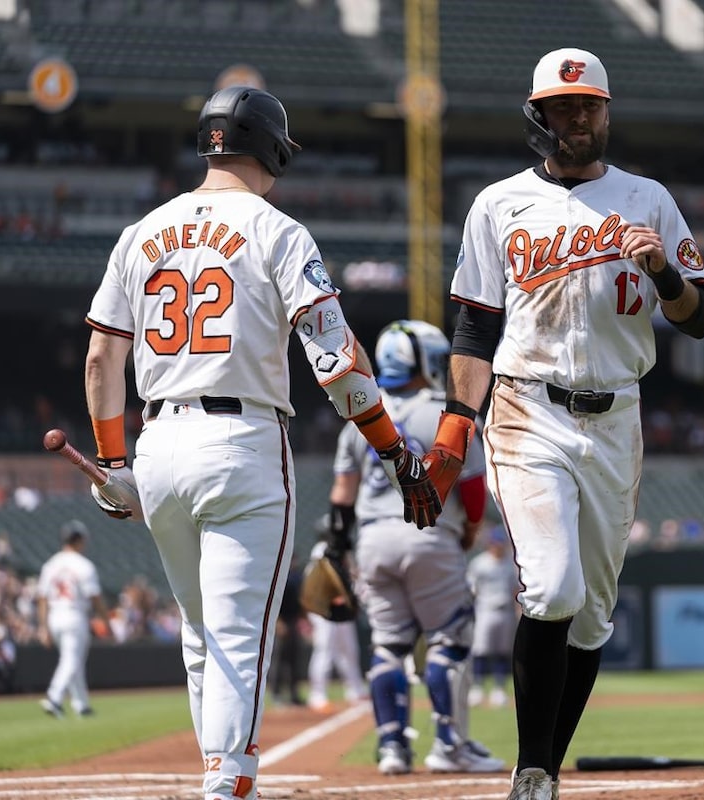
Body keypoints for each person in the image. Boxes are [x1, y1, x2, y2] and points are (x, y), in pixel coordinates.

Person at [81, 86, 440, 800]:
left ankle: (217, 774)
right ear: (272, 148)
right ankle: (227, 783)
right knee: (238, 635)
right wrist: (392, 449)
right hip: (241, 441)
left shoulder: (140, 232)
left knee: (199, 634)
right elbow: (336, 362)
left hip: (158, 443)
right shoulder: (279, 230)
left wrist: (114, 461)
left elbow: (100, 360)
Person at [420, 48, 704, 800]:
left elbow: (698, 317)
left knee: (592, 617)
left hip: (617, 414)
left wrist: (663, 272)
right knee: (551, 590)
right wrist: (456, 423)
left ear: (606, 112)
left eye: (589, 106)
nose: (578, 119)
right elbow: (475, 326)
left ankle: (546, 767)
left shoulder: (647, 199)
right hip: (527, 407)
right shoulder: (499, 203)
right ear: (538, 115)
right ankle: (533, 772)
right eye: (563, 107)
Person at [330, 319, 505, 776]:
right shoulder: (447, 415)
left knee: (388, 645)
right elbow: (471, 490)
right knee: (449, 638)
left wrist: (336, 548)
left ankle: (392, 747)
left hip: (372, 539)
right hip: (430, 534)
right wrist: (470, 530)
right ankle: (450, 745)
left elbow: (342, 496)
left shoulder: (361, 414)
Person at [36, 520, 109, 718]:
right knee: (71, 660)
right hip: (74, 615)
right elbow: (95, 597)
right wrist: (106, 620)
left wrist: (43, 627)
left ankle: (81, 704)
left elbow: (42, 598)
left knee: (73, 659)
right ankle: (54, 697)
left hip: (54, 616)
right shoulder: (83, 565)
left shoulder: (51, 564)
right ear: (78, 540)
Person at [305, 539, 368, 713]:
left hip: (342, 612)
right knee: (325, 651)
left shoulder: (343, 563)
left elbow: (353, 581)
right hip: (324, 613)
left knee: (349, 650)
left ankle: (355, 690)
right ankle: (317, 694)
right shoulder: (317, 564)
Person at [467, 528, 521, 709]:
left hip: (506, 610)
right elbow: (471, 589)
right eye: (495, 543)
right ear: (490, 544)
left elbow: (516, 590)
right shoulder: (479, 563)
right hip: (485, 610)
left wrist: (518, 610)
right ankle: (477, 688)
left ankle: (499, 689)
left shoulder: (510, 564)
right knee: (481, 650)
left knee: (503, 651)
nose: (498, 546)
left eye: (501, 543)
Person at [270, 556, 305, 706]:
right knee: (278, 660)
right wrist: (278, 622)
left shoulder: (297, 577)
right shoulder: (279, 576)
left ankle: (294, 694)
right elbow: (274, 601)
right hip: (282, 621)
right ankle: (276, 693)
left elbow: (300, 602)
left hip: (293, 621)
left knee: (294, 659)